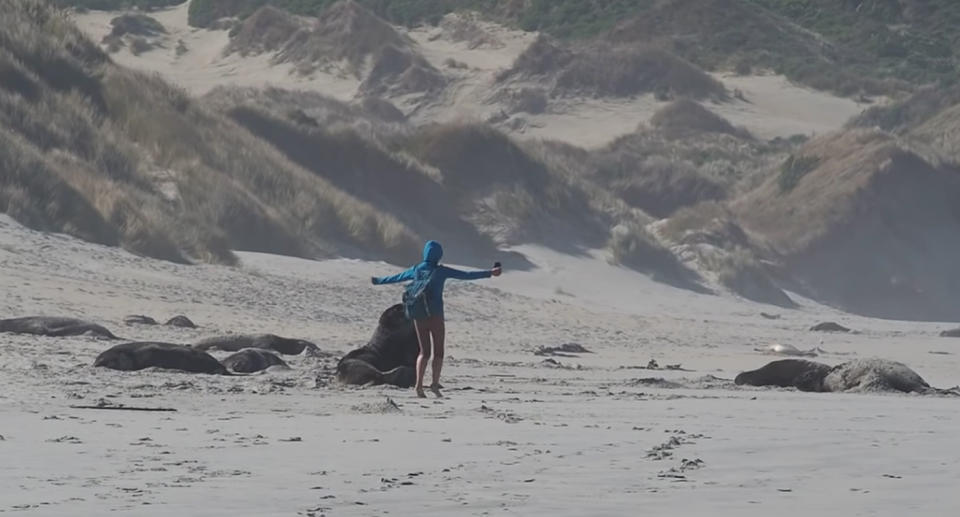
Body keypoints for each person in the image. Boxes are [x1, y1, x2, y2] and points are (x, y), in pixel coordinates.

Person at [371, 240, 501, 397]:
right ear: (439, 255)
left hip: (419, 315)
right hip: (436, 315)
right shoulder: (441, 271)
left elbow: (397, 277)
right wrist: (490, 273)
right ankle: (434, 384)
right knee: (438, 352)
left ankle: (418, 386)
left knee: (423, 352)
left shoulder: (416, 269)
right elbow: (466, 275)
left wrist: (378, 280)